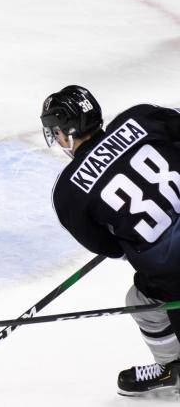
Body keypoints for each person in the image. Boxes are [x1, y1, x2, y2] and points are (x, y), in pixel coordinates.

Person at [41, 85, 180, 396]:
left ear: (65, 132)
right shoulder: (140, 117)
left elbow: (111, 248)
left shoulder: (67, 193)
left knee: (142, 301)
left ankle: (173, 365)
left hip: (174, 275)